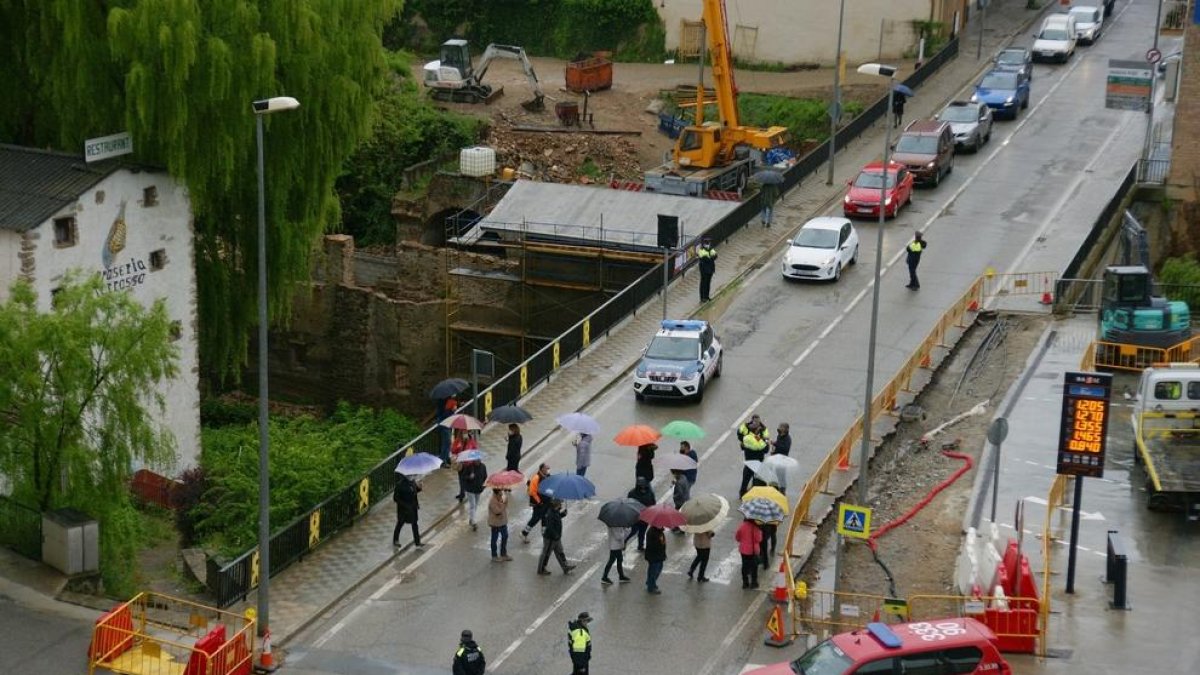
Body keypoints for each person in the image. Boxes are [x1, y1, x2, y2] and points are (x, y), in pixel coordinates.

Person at [537, 499, 576, 575]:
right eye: (560, 504)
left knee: (560, 552)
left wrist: (563, 514)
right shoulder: (550, 514)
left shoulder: (555, 511)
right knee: (546, 553)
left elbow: (557, 518)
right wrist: (556, 536)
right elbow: (550, 527)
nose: (561, 505)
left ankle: (565, 567)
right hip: (550, 538)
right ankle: (541, 569)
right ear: (557, 505)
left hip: (556, 537)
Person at [521, 463, 551, 542]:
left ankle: (545, 534)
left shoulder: (547, 476)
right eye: (545, 468)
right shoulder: (536, 478)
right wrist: (539, 502)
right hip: (539, 503)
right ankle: (524, 533)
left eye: (547, 468)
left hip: (546, 502)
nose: (547, 469)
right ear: (541, 469)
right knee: (535, 518)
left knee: (545, 517)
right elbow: (532, 492)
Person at [392, 473, 423, 547]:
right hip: (404, 509)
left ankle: (417, 542)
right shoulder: (399, 485)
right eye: (410, 475)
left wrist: (419, 488)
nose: (412, 476)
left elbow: (413, 491)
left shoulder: (412, 482)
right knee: (400, 523)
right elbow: (395, 498)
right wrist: (405, 505)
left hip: (413, 507)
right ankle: (395, 540)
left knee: (415, 524)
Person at [624, 477, 655, 550]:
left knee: (642, 532)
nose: (643, 487)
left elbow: (653, 502)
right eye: (641, 486)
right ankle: (624, 540)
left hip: (646, 516)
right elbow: (629, 504)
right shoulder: (632, 493)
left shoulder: (650, 493)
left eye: (643, 485)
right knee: (634, 531)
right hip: (636, 516)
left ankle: (640, 545)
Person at [739, 428, 769, 496]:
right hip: (757, 464)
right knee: (756, 481)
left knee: (745, 480)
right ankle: (753, 494)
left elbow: (742, 446)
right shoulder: (759, 442)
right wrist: (766, 441)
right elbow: (766, 449)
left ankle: (742, 493)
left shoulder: (747, 439)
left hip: (748, 463)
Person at [735, 518, 763, 589]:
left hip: (743, 550)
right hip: (753, 551)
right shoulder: (756, 528)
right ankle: (754, 582)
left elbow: (737, 538)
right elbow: (759, 539)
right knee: (754, 567)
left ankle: (745, 582)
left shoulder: (742, 526)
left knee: (744, 566)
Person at [461, 460, 487, 531]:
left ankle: (471, 519)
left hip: (478, 489)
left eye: (479, 460)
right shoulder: (469, 467)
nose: (478, 461)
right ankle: (473, 521)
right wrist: (469, 477)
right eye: (476, 460)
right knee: (473, 505)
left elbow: (485, 476)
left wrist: (483, 486)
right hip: (470, 490)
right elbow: (463, 477)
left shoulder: (483, 466)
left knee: (475, 505)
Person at [487, 488, 511, 562]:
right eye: (500, 492)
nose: (502, 493)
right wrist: (504, 504)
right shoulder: (492, 501)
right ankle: (494, 556)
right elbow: (497, 511)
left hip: (502, 522)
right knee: (494, 539)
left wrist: (505, 501)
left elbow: (503, 506)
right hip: (495, 523)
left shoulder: (500, 497)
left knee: (505, 536)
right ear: (496, 493)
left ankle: (503, 554)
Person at [644, 525, 667, 594]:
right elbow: (652, 545)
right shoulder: (652, 532)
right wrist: (660, 542)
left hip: (658, 555)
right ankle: (651, 587)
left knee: (655, 569)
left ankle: (650, 582)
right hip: (654, 556)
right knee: (654, 571)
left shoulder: (659, 531)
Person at [436, 396, 457, 466]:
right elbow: (444, 414)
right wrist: (452, 410)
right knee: (446, 442)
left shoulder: (448, 401)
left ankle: (446, 458)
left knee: (448, 443)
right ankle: (443, 460)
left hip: (448, 424)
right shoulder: (443, 402)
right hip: (444, 424)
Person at [697, 238, 718, 303]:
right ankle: (702, 297)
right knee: (703, 283)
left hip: (710, 268)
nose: (708, 244)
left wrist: (711, 257)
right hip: (704, 269)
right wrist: (711, 257)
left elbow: (715, 256)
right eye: (707, 243)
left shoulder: (710, 249)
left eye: (708, 243)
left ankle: (707, 296)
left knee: (708, 283)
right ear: (704, 244)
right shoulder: (701, 250)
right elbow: (706, 259)